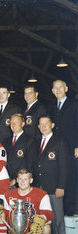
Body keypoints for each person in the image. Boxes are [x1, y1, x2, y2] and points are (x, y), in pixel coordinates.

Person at [34, 115, 69, 234]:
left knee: (57, 217)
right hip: (40, 188)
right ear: (38, 127)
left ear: (52, 125)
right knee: (42, 217)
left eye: (46, 124)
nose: (43, 127)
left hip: (54, 187)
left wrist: (61, 186)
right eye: (41, 124)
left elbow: (64, 166)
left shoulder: (59, 142)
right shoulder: (36, 143)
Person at [1, 169, 53, 234]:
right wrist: (11, 232)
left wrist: (42, 218)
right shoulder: (8, 195)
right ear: (17, 180)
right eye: (20, 179)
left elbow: (49, 214)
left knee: (46, 229)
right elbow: (6, 217)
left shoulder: (41, 194)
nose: (22, 182)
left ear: (31, 180)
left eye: (25, 179)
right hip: (17, 232)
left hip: (33, 229)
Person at [51, 80, 78, 216]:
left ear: (66, 88)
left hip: (72, 149)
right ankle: (61, 211)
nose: (58, 90)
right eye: (55, 88)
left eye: (60, 87)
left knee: (72, 178)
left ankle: (71, 210)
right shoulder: (52, 107)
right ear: (52, 91)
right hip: (58, 150)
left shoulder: (74, 105)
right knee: (61, 177)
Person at [2, 114, 37, 188]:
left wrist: (16, 180)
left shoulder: (30, 141)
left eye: (16, 122)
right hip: (7, 181)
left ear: (23, 124)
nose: (13, 125)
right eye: (11, 122)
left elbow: (30, 165)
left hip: (22, 182)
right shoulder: (5, 141)